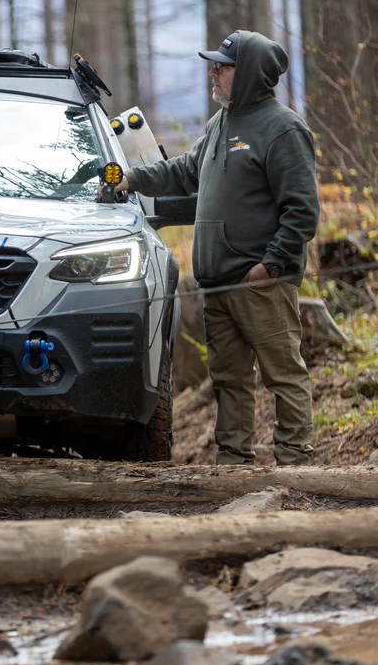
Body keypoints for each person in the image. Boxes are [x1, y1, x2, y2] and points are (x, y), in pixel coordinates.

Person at [116, 30, 320, 465]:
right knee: (229, 379)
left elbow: (302, 212)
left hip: (260, 283)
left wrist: (269, 266)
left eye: (222, 67)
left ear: (246, 75)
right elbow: (184, 172)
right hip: (217, 285)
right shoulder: (219, 123)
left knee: (283, 374)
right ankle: (234, 464)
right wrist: (131, 179)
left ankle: (297, 463)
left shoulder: (283, 129)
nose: (213, 72)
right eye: (214, 65)